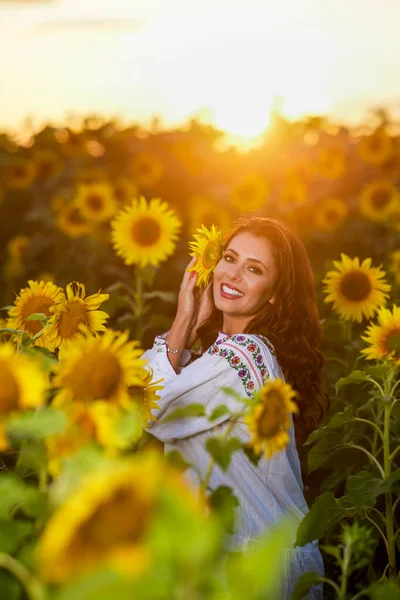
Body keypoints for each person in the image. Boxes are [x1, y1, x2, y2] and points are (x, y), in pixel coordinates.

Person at [141, 216, 326, 599]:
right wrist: (193, 331)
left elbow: (149, 408)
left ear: (275, 292)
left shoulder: (242, 356)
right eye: (229, 258)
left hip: (253, 567)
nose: (235, 274)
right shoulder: (228, 355)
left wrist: (183, 319)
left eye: (254, 269)